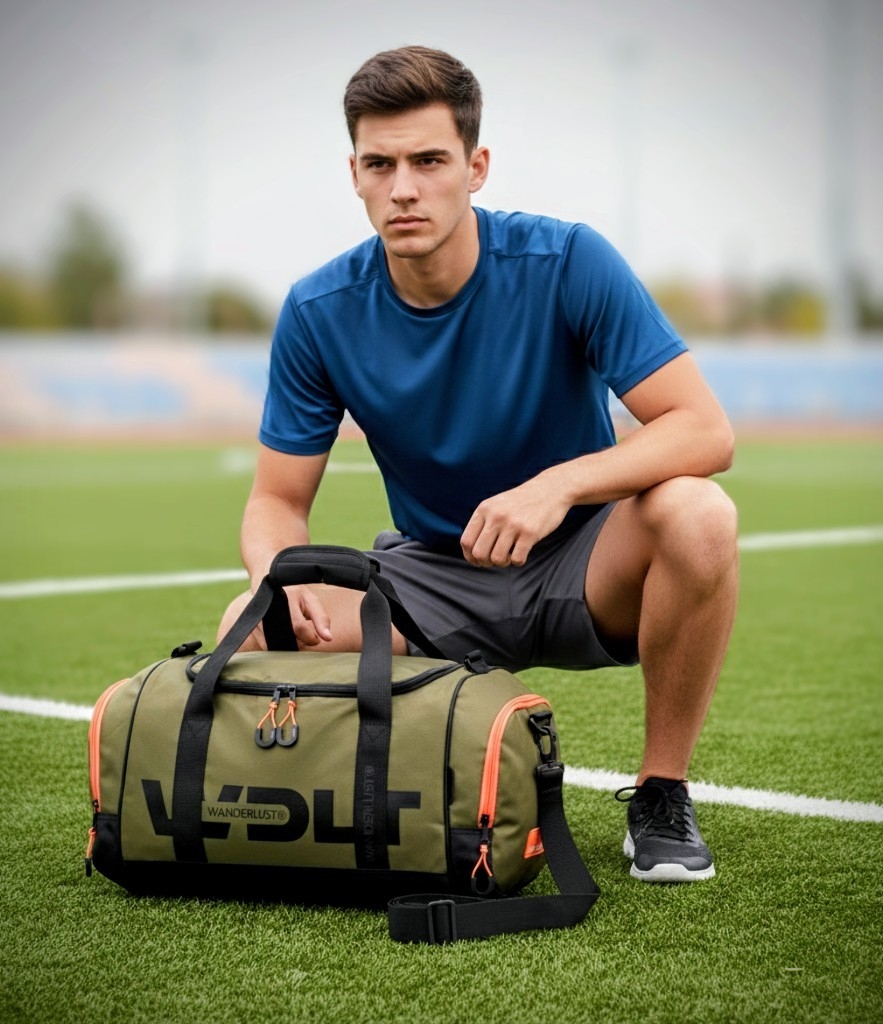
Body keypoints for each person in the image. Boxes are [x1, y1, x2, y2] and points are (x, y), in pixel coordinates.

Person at [219, 45, 738, 883]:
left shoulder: (566, 261)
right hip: (432, 575)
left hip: (583, 562)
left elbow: (704, 430)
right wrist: (275, 575)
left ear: (476, 167)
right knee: (249, 621)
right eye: (380, 165)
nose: (404, 188)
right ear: (354, 175)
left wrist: (556, 486)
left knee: (699, 514)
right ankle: (357, 806)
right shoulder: (318, 311)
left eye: (429, 161)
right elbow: (276, 500)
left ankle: (660, 793)